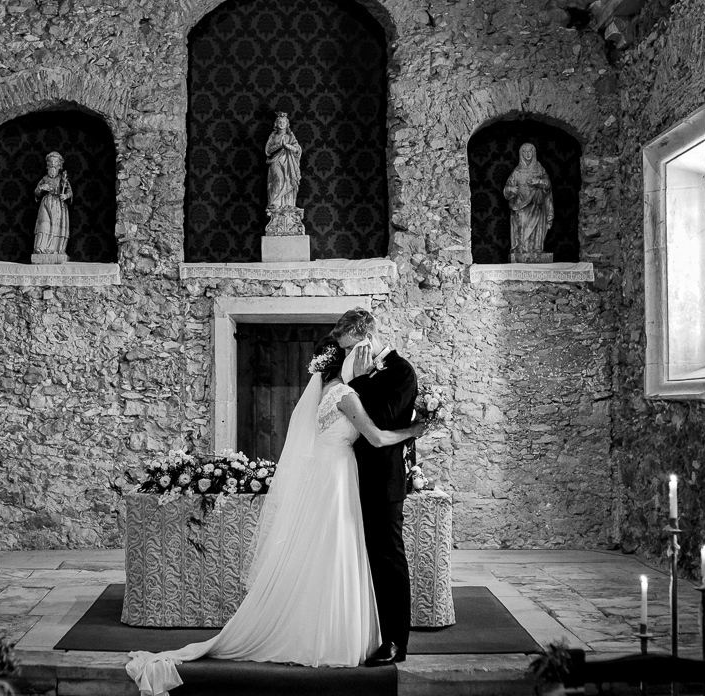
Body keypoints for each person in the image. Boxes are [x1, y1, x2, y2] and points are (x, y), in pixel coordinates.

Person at [126, 338, 427, 696]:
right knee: (338, 553)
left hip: (335, 477)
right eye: (349, 353)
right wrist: (415, 430)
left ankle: (328, 629)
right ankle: (335, 635)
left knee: (329, 553)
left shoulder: (328, 393)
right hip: (339, 480)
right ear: (341, 361)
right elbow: (375, 438)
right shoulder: (344, 395)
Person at [332, 307, 419, 666]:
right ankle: (368, 633)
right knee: (361, 560)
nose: (347, 357)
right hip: (350, 478)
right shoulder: (356, 371)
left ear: (367, 340)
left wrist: (361, 379)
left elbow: (381, 421)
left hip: (383, 480)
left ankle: (396, 641)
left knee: (387, 559)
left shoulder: (401, 372)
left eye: (351, 348)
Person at [502, 142, 553, 261]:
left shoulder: (539, 169)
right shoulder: (517, 171)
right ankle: (522, 249)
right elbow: (506, 189)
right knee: (522, 226)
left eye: (530, 151)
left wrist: (539, 182)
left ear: (534, 153)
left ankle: (537, 249)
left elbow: (548, 185)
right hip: (521, 206)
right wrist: (511, 190)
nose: (528, 154)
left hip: (537, 204)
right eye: (525, 152)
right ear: (521, 154)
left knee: (537, 229)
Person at [33, 151, 73, 256]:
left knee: (56, 227)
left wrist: (66, 196)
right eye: (51, 164)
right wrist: (41, 188)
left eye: (55, 165)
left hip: (59, 205)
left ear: (59, 166)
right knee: (44, 225)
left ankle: (55, 249)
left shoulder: (62, 179)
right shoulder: (44, 179)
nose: (53, 166)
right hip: (46, 204)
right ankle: (41, 247)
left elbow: (70, 192)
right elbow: (36, 192)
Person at [264, 112, 302, 211]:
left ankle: (287, 204)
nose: (281, 124)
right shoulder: (273, 136)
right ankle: (274, 204)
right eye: (279, 122)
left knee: (289, 180)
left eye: (283, 122)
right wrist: (279, 145)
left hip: (288, 163)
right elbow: (267, 151)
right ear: (276, 123)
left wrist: (287, 146)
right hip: (275, 161)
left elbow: (297, 149)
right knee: (279, 179)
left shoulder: (290, 136)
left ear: (287, 124)